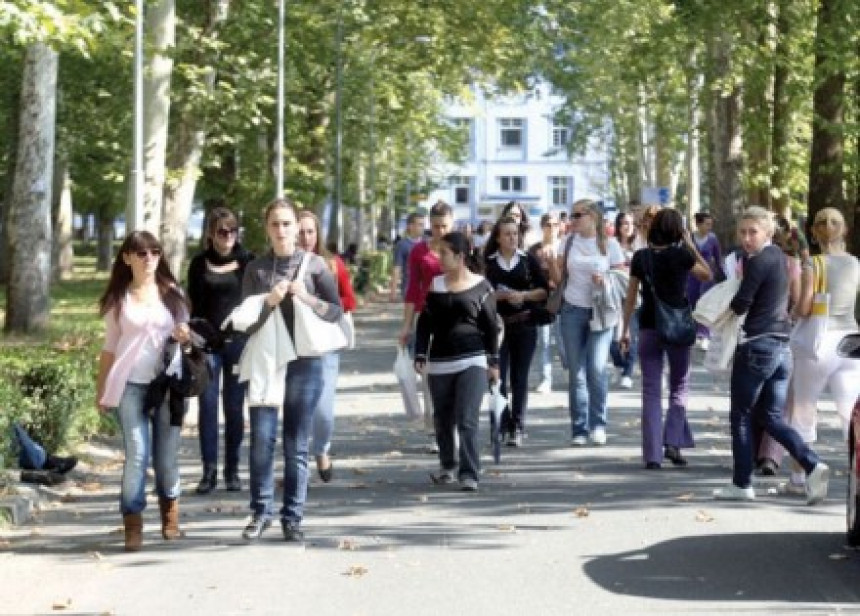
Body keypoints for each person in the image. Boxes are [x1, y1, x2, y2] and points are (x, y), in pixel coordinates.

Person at [239, 198, 342, 542]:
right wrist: (268, 303)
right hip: (267, 360)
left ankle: (292, 517)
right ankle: (260, 511)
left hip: (306, 361)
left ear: (298, 227)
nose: (281, 231)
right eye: (275, 224)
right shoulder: (256, 270)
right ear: (266, 229)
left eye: (287, 224)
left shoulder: (315, 267)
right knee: (262, 440)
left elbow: (335, 313)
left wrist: (307, 298)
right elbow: (246, 324)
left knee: (296, 443)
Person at [712, 206, 829, 504]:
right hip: (781, 347)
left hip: (757, 345)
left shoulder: (758, 261)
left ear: (768, 232)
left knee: (740, 415)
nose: (747, 238)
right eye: (743, 232)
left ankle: (741, 483)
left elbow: (741, 304)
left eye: (753, 232)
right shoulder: (779, 257)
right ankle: (813, 464)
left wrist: (717, 304)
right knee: (771, 416)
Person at [96, 231, 191, 552]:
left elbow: (190, 337)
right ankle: (132, 523)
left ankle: (170, 514)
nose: (149, 258)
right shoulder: (118, 301)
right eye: (141, 253)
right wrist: (102, 392)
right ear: (127, 258)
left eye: (154, 252)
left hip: (167, 385)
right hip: (130, 386)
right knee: (137, 453)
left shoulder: (173, 294)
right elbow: (109, 348)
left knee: (165, 458)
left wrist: (183, 335)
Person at [620, 209, 712, 469]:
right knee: (679, 386)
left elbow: (630, 297)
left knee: (650, 390)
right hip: (678, 328)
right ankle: (672, 441)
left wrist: (625, 329)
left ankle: (652, 455)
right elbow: (707, 274)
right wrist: (691, 244)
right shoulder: (682, 255)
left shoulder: (641, 257)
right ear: (677, 231)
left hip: (648, 326)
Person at [779, 207, 860, 494]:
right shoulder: (855, 264)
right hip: (851, 341)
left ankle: (800, 480)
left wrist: (791, 311)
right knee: (850, 412)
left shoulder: (814, 264)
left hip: (819, 343)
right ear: (844, 230)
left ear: (814, 231)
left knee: (804, 410)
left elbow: (804, 308)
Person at [414, 231, 500, 492]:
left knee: (467, 418)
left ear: (461, 257)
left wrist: (493, 361)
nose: (439, 257)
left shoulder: (482, 287)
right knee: (442, 418)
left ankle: (470, 472)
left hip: (472, 360)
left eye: (444, 253)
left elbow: (491, 327)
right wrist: (420, 353)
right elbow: (425, 324)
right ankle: (447, 466)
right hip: (440, 361)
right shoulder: (435, 285)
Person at [186, 207, 254, 495]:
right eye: (221, 231)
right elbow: (192, 304)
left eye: (232, 231)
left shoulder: (248, 262)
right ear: (211, 234)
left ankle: (232, 469)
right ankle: (209, 471)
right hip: (207, 344)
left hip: (238, 343)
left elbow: (256, 302)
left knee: (235, 407)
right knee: (208, 405)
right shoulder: (199, 263)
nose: (228, 237)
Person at [548, 199, 625, 446]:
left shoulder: (609, 244)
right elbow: (558, 278)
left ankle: (598, 424)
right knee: (576, 372)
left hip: (601, 312)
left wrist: (605, 280)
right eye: (571, 215)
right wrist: (551, 264)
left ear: (592, 216)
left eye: (577, 215)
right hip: (572, 309)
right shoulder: (568, 242)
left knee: (596, 368)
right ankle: (579, 429)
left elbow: (623, 279)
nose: (573, 219)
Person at [297, 210, 356, 483]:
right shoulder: (284, 265)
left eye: (310, 231)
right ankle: (296, 462)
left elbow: (348, 299)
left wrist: (320, 305)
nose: (306, 237)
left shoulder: (331, 264)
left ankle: (321, 449)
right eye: (301, 231)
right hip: (294, 343)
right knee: (296, 407)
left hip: (325, 343)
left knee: (323, 409)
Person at [484, 216, 549, 446]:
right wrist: (496, 296)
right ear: (498, 238)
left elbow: (543, 291)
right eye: (507, 234)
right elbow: (479, 291)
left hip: (524, 324)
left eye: (515, 233)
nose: (512, 238)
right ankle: (500, 423)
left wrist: (523, 296)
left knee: (520, 378)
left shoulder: (528, 260)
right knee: (497, 377)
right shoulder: (488, 262)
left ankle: (518, 426)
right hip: (497, 327)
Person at [398, 201, 455, 452]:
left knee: (454, 375)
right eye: (435, 226)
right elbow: (412, 290)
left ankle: (452, 427)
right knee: (430, 377)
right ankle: (434, 431)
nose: (440, 231)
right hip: (428, 317)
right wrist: (406, 325)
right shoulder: (419, 251)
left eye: (444, 226)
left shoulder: (461, 249)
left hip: (457, 317)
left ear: (452, 224)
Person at [528, 213, 561, 394]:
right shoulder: (534, 250)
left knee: (563, 340)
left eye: (555, 224)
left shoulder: (566, 246)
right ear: (543, 227)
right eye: (548, 224)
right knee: (544, 340)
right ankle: (545, 378)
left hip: (565, 298)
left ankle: (572, 368)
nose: (552, 228)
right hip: (543, 300)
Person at [686, 212, 723, 351]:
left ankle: (704, 335)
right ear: (698, 224)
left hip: (707, 278)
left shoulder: (713, 239)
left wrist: (722, 276)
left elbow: (718, 259)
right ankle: (692, 333)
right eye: (707, 224)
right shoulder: (689, 238)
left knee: (706, 305)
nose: (709, 227)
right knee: (692, 304)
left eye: (711, 225)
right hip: (691, 277)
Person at [609, 211, 638, 389]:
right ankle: (619, 364)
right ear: (618, 226)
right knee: (613, 340)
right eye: (624, 223)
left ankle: (628, 372)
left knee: (631, 335)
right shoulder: (611, 246)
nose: (628, 226)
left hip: (633, 295)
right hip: (613, 295)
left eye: (630, 223)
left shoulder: (638, 246)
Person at [11, 422, 77, 486]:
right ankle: (57, 466)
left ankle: (58, 465)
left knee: (20, 432)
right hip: (36, 459)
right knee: (20, 434)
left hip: (39, 458)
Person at [389, 212, 425, 302]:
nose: (422, 228)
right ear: (410, 226)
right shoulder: (402, 245)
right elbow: (397, 268)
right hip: (409, 289)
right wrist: (393, 292)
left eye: (423, 225)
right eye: (420, 225)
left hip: (427, 289)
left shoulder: (427, 243)